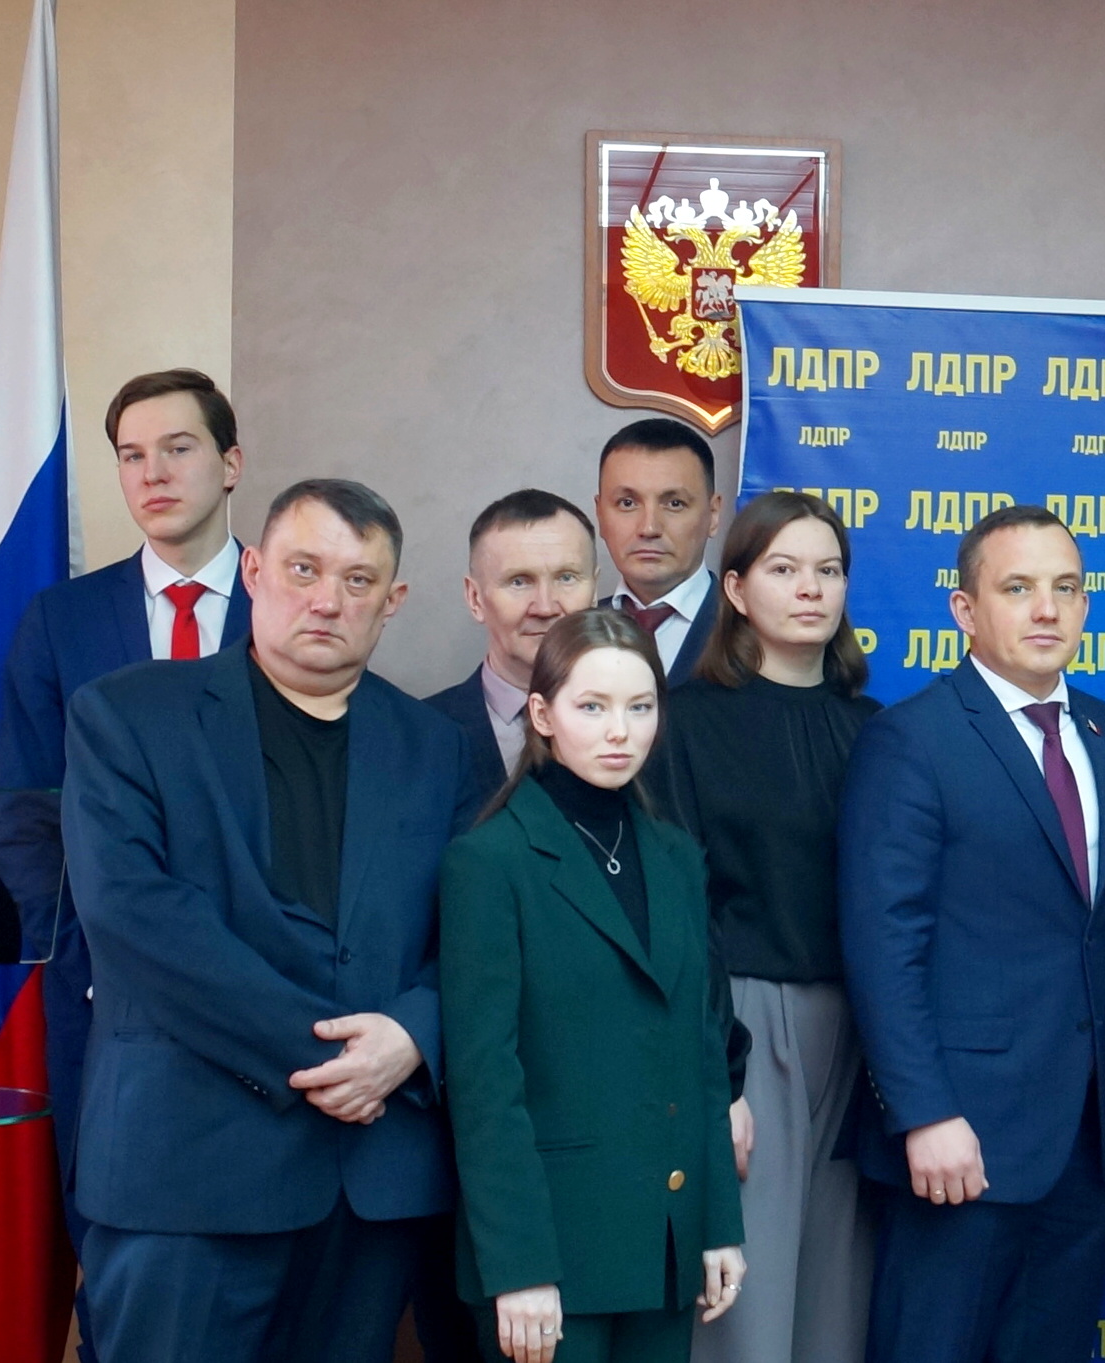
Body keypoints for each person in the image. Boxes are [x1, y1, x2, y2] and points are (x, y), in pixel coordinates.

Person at [62, 479, 482, 1363]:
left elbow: (480, 934)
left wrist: (415, 1033)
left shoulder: (438, 749)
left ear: (393, 600)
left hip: (367, 1181)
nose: (328, 599)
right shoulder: (128, 715)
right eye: (303, 568)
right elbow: (135, 917)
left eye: (359, 580)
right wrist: (331, 1055)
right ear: (253, 571)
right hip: (187, 1173)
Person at [840, 504, 1105, 1363]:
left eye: (1065, 588)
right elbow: (884, 944)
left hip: (1084, 1133)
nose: (1046, 609)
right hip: (960, 1132)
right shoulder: (910, 738)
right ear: (965, 610)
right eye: (1019, 588)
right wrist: (924, 1111)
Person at [439, 609, 747, 1363]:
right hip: (551, 1255)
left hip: (666, 1242)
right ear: (542, 715)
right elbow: (484, 1084)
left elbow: (702, 1053)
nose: (620, 731)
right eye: (593, 706)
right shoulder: (490, 861)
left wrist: (718, 1224)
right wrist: (519, 1267)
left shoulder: (675, 855)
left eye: (640, 707)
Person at [0, 369, 254, 1188]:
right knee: (111, 1227)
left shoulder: (293, 603)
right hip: (103, 1000)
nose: (154, 474)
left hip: (265, 992)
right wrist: (92, 954)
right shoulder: (61, 619)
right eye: (132, 455)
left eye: (178, 448)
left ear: (231, 463)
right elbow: (22, 820)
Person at [650, 490, 882, 1363]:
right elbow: (680, 913)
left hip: (860, 1031)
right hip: (745, 1019)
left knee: (836, 1302)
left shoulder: (877, 730)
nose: (811, 588)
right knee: (745, 1307)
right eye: (784, 569)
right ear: (738, 590)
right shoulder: (685, 721)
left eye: (828, 570)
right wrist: (721, 1075)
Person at [426, 490, 599, 800]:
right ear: (475, 598)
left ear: (595, 591)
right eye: (519, 581)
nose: (545, 607)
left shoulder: (643, 727)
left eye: (566, 578)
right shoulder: (420, 733)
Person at [595, 417, 727, 684]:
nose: (649, 528)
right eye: (627, 503)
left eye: (674, 504)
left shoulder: (757, 631)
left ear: (713, 515)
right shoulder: (570, 632)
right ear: (599, 514)